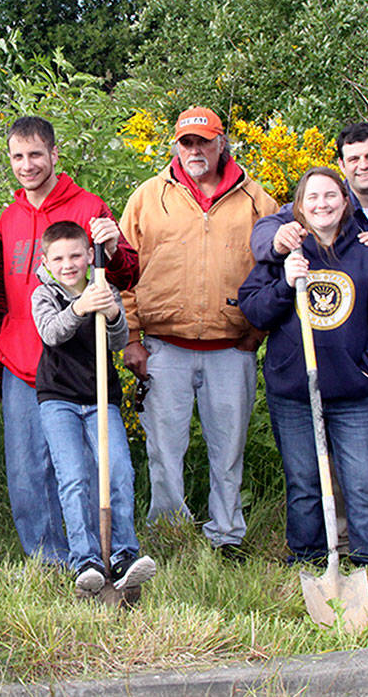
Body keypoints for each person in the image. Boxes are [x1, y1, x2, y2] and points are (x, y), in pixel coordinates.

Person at [250, 121, 368, 565]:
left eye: (330, 196)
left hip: (360, 385)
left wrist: (365, 372)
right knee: (306, 481)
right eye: (312, 197)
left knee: (365, 478)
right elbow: (254, 305)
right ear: (299, 205)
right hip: (296, 388)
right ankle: (313, 557)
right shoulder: (289, 244)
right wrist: (283, 277)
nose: (322, 203)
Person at [118, 106, 279, 554]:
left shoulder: (258, 201)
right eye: (186, 142)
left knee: (228, 450)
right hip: (163, 347)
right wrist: (132, 339)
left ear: (221, 143)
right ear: (176, 145)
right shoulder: (148, 197)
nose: (195, 150)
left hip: (233, 349)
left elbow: (273, 270)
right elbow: (123, 272)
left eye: (203, 142)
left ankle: (226, 535)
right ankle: (169, 533)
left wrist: (257, 331)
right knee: (163, 451)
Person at [0, 115, 138, 567]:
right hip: (20, 362)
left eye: (36, 155)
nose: (27, 165)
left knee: (83, 469)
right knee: (29, 469)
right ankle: (49, 558)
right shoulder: (10, 217)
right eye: (18, 156)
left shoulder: (89, 206)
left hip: (79, 365)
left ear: (54, 155)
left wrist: (113, 249)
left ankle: (95, 552)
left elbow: (127, 274)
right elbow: (0, 294)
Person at [30, 221, 155, 593]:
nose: (67, 264)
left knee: (118, 470)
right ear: (46, 261)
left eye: (74, 256)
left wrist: (113, 313)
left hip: (101, 397)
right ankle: (84, 559)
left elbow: (117, 343)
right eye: (59, 258)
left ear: (88, 256)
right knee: (73, 478)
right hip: (59, 399)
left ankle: (122, 554)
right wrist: (81, 307)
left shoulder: (105, 287)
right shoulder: (44, 295)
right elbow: (51, 333)